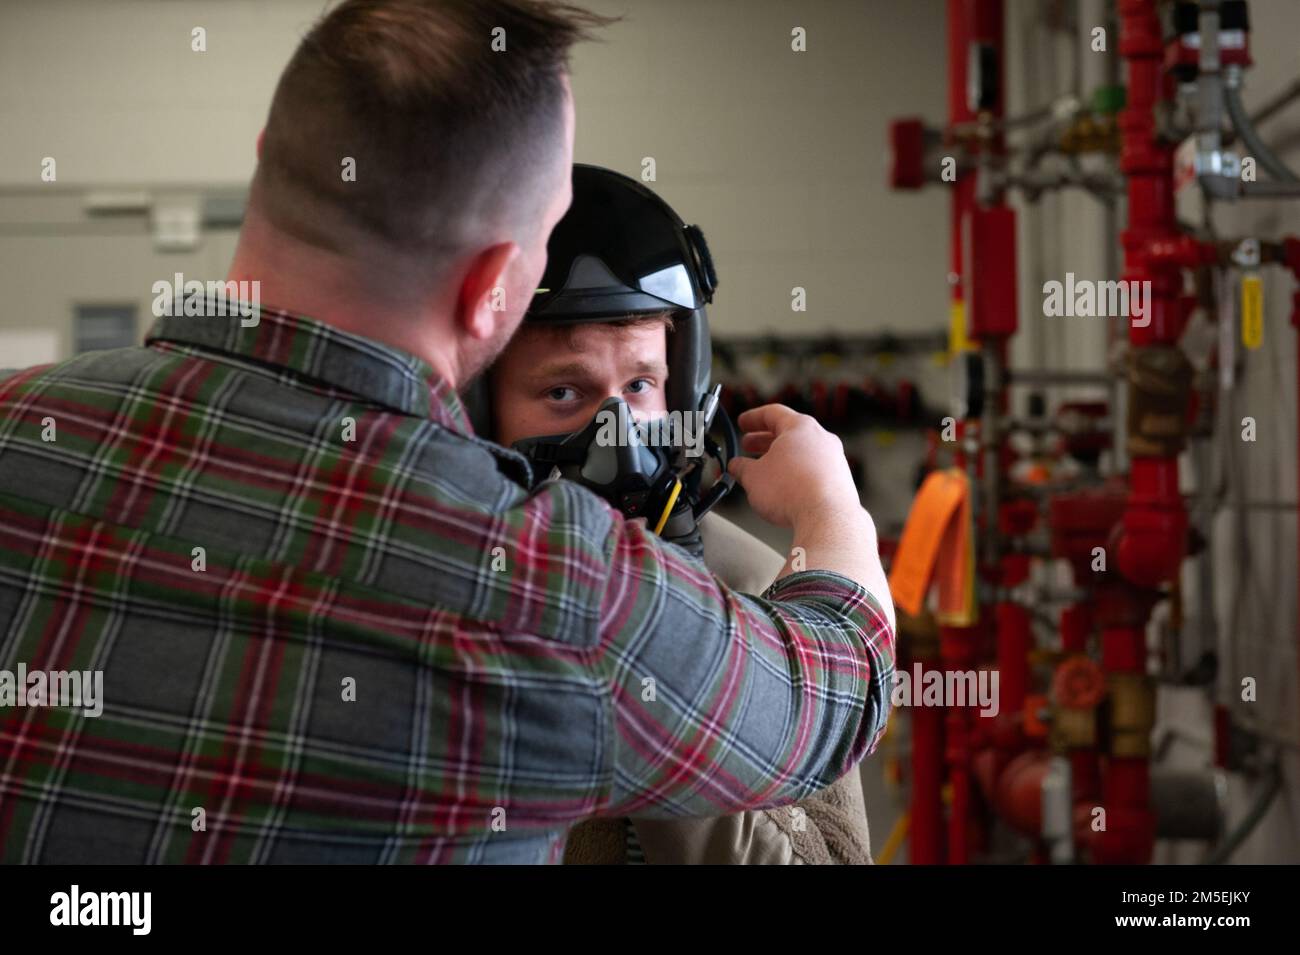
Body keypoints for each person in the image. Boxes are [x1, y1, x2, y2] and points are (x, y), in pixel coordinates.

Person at [0, 0, 893, 864]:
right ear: (492, 293)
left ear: (269, 161)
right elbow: (840, 690)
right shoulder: (553, 587)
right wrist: (832, 514)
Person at [478, 164, 880, 864]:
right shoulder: (433, 589)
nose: (617, 435)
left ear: (683, 394)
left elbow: (833, 857)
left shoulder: (759, 592)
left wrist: (672, 635)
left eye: (639, 385)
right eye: (564, 392)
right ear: (481, 411)